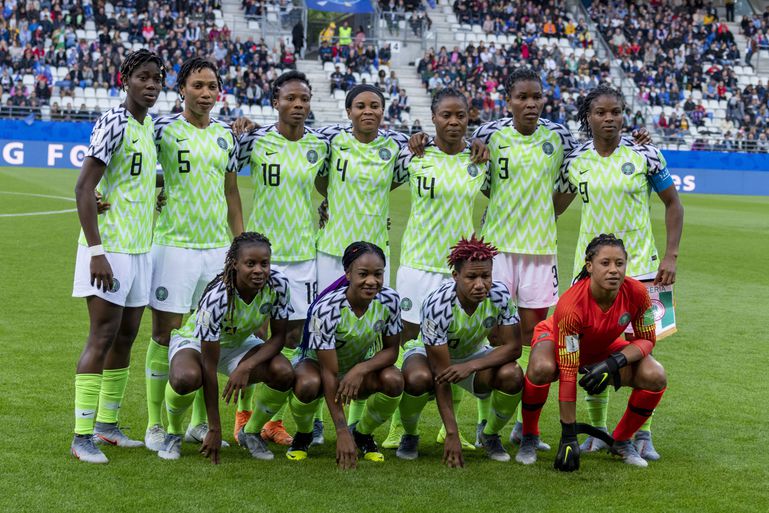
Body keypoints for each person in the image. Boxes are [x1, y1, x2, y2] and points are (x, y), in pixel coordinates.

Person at [471, 69, 651, 449]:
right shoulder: (488, 134)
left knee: (534, 339)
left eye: (536, 96)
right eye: (522, 97)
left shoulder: (560, 137)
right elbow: (477, 174)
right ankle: (486, 423)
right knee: (495, 335)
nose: (530, 103)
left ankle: (524, 425)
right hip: (498, 249)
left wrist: (635, 141)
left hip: (541, 252)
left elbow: (577, 174)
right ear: (508, 100)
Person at [552, 84, 683, 461]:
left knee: (644, 351)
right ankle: (598, 432)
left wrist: (670, 256)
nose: (609, 118)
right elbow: (554, 207)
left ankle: (642, 433)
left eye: (616, 112)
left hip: (643, 268)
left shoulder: (645, 153)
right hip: (590, 273)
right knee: (592, 349)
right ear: (588, 118)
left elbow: (673, 204)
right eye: (601, 112)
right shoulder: (575, 160)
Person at [142, 57, 244, 452]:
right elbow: (137, 168)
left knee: (210, 334)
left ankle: (199, 423)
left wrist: (239, 245)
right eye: (197, 85)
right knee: (164, 334)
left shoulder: (226, 135)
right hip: (173, 247)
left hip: (217, 251)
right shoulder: (162, 129)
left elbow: (231, 193)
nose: (205, 93)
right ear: (181, 88)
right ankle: (155, 423)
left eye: (211, 86)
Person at [70, 50, 164, 463]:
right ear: (125, 79)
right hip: (110, 250)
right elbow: (83, 187)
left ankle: (107, 426)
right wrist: (97, 253)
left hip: (141, 248)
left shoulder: (149, 126)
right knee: (102, 335)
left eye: (157, 79)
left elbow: (137, 176)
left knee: (126, 336)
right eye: (143, 77)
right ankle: (81, 436)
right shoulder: (114, 121)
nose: (151, 85)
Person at [383, 88, 490, 450]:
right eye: (446, 115)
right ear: (433, 118)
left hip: (458, 271)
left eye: (461, 115)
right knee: (408, 343)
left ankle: (449, 427)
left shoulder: (480, 160)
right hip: (416, 265)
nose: (454, 121)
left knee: (459, 344)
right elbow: (376, 184)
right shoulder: (414, 155)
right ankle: (399, 427)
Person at [233, 71, 329, 445]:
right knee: (255, 335)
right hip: (263, 258)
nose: (298, 104)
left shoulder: (320, 145)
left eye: (304, 98)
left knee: (293, 337)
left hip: (304, 255)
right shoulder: (255, 140)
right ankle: (244, 415)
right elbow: (219, 172)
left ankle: (273, 420)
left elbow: (334, 183)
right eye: (290, 98)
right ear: (276, 102)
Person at [517, 234, 667, 469]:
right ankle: (528, 436)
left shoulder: (638, 293)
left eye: (619, 263)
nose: (613, 270)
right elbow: (568, 374)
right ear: (589, 266)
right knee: (541, 368)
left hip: (600, 347)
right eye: (605, 263)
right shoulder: (571, 305)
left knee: (655, 375)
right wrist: (569, 435)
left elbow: (647, 340)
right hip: (556, 339)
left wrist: (614, 363)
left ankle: (620, 441)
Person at [157, 233, 294, 462]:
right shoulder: (218, 297)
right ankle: (174, 432)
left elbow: (279, 337)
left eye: (264, 263)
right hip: (196, 343)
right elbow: (208, 365)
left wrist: (246, 367)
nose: (259, 270)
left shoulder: (278, 284)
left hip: (239, 344)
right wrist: (215, 428)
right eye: (250, 263)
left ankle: (251, 432)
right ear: (235, 264)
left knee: (284, 372)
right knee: (186, 378)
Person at [395, 236, 523, 466]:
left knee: (512, 374)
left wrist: (471, 366)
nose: (480, 284)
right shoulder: (438, 304)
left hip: (473, 354)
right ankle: (410, 435)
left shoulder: (500, 295)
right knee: (417, 378)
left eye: (486, 276)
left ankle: (489, 435)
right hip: (428, 354)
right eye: (471, 277)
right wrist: (452, 432)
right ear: (455, 276)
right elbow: (441, 374)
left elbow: (513, 347)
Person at [286, 242, 403, 468]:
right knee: (308, 384)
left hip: (358, 365)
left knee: (394, 379)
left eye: (378, 274)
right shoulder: (326, 308)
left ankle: (362, 434)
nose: (372, 281)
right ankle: (304, 434)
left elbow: (391, 351)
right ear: (348, 274)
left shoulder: (390, 300)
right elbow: (329, 372)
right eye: (363, 274)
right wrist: (340, 431)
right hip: (318, 366)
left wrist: (360, 369)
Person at [314, 84, 409, 292]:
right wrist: (330, 197)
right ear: (349, 112)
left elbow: (396, 179)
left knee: (373, 309)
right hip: (332, 248)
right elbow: (319, 177)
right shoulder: (330, 138)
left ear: (382, 111)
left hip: (375, 250)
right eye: (360, 106)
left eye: (374, 106)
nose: (368, 111)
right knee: (327, 308)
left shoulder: (397, 144)